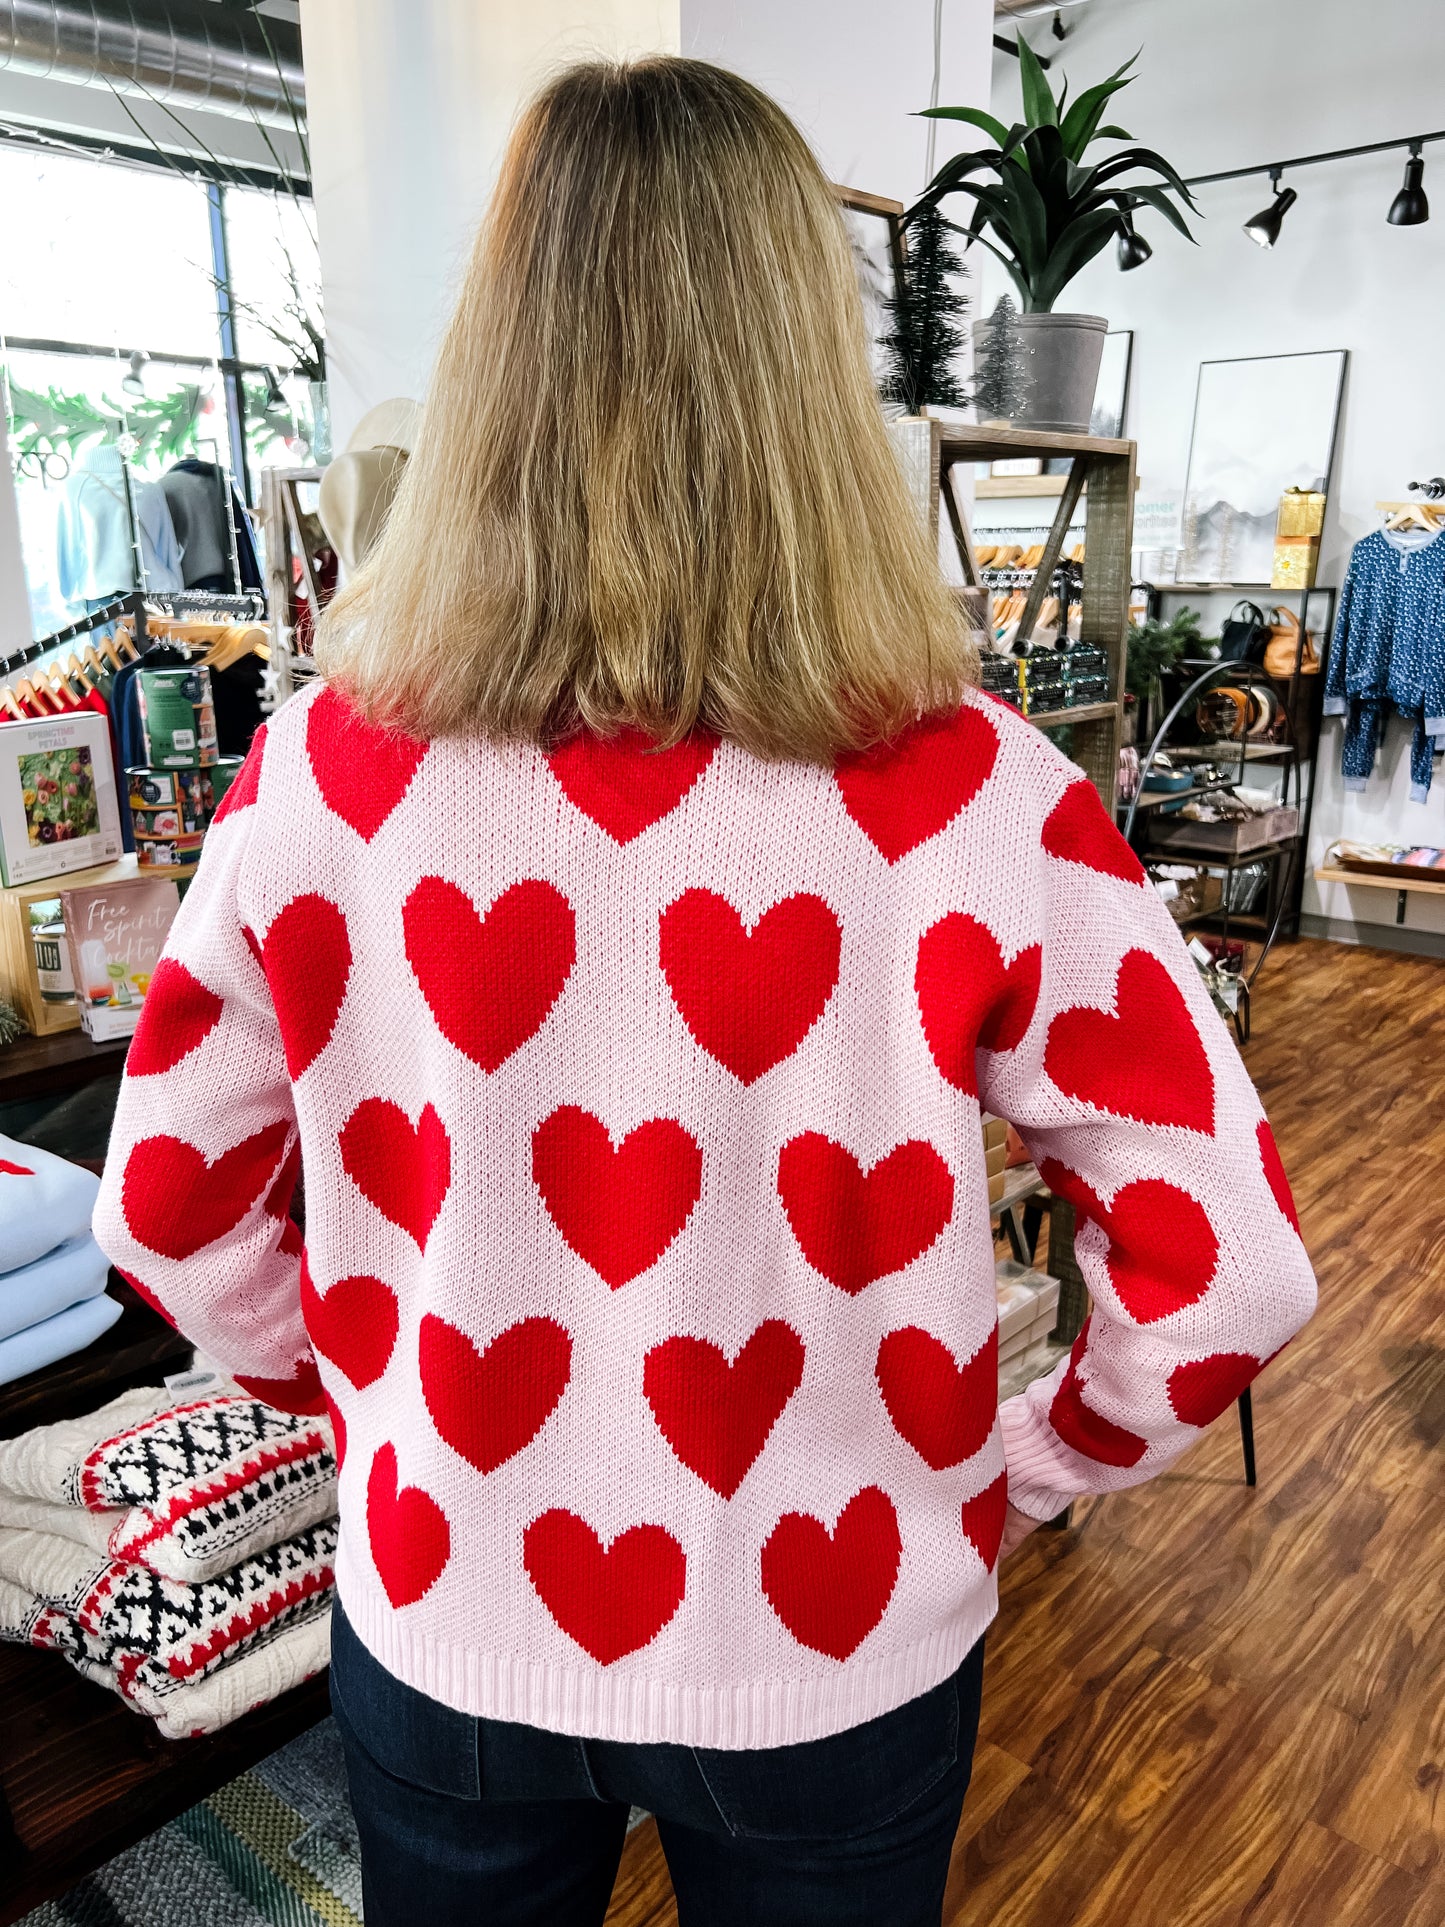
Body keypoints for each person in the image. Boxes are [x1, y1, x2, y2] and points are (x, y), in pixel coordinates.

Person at [93, 55, 1316, 1927]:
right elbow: (1228, 1269)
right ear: (809, 374)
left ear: (499, 357)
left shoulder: (321, 777)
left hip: (449, 1621)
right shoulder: (977, 793)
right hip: (842, 1642)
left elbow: (170, 1217)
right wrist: (1027, 1467)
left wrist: (370, 1400)